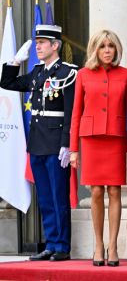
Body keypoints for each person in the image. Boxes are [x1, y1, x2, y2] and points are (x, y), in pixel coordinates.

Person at [0, 24, 77, 261]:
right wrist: (14, 62)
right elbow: (7, 83)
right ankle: (51, 243)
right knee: (44, 197)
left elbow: (70, 111)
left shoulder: (68, 73)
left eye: (43, 42)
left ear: (55, 46)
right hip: (37, 142)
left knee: (58, 196)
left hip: (56, 143)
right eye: (38, 42)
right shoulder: (37, 72)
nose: (38, 46)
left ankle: (62, 246)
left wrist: (67, 143)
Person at [69, 29, 127, 267]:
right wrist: (73, 149)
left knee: (115, 191)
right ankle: (98, 245)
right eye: (102, 46)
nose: (107, 50)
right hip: (91, 138)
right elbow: (76, 112)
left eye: (111, 46)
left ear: (116, 49)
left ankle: (114, 246)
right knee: (96, 191)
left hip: (117, 137)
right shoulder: (83, 75)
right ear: (94, 49)